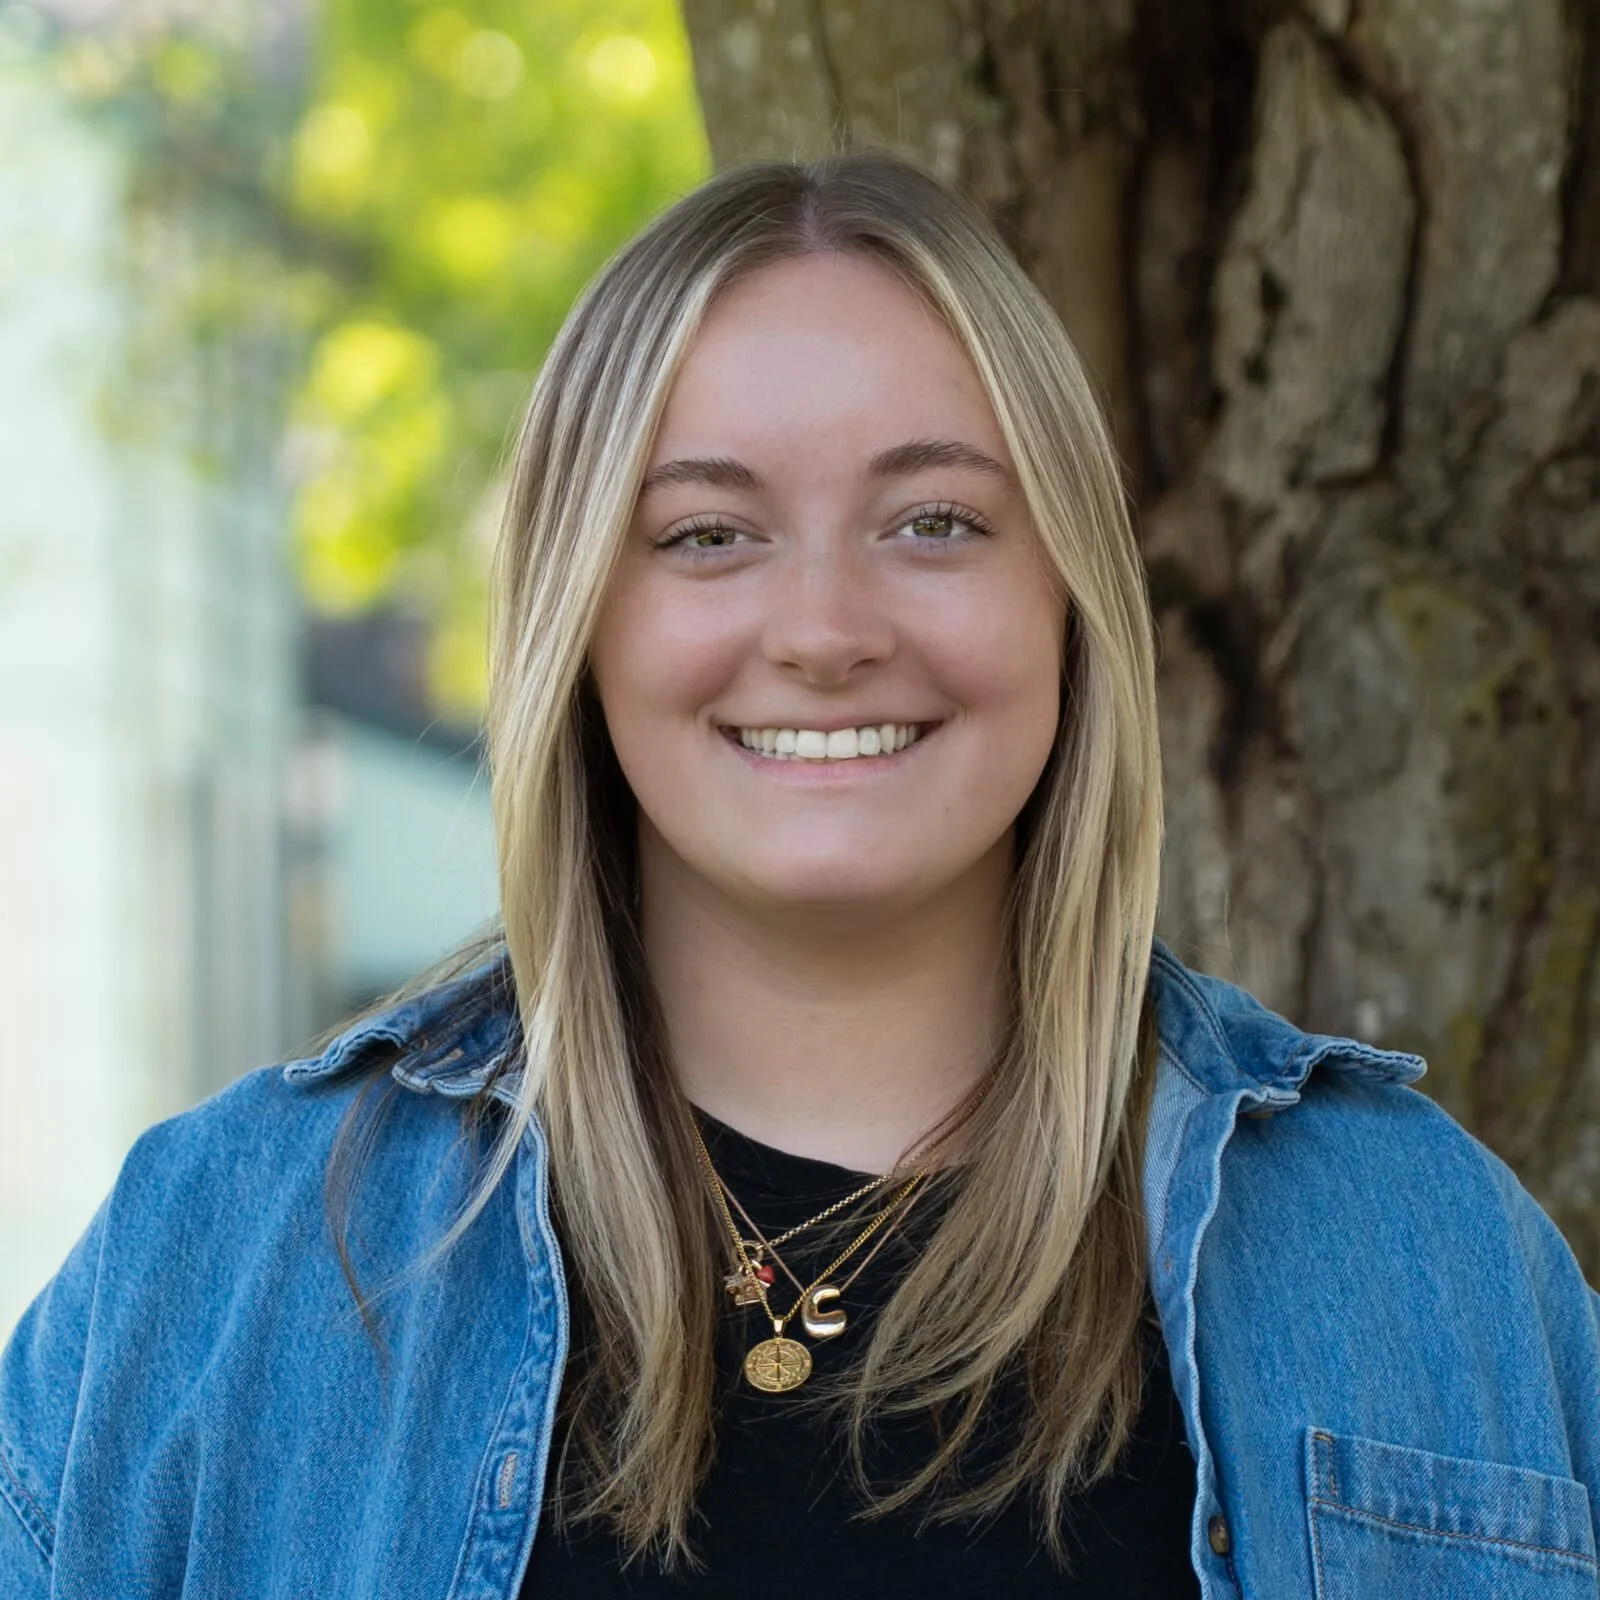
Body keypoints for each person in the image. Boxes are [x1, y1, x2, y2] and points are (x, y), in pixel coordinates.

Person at [3, 151, 1599, 1600]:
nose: (828, 631)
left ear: (1070, 599)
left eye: (935, 521)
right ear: (581, 616)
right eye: (707, 535)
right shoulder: (228, 1259)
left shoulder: (1424, 1253)